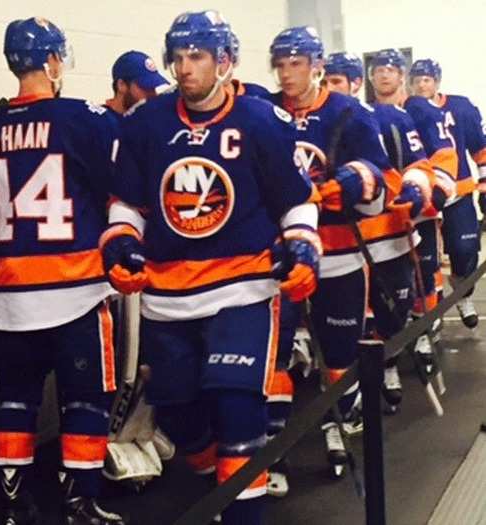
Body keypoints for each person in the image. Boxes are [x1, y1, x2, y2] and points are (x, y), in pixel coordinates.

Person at [100, 10, 320, 524]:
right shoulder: (145, 124)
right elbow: (126, 203)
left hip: (242, 288)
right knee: (176, 409)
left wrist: (303, 245)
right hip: (167, 294)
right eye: (177, 58)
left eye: (195, 57)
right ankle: (215, 481)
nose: (184, 69)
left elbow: (296, 200)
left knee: (237, 406)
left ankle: (243, 513)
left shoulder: (261, 121)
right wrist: (120, 243)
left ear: (225, 61)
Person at [0, 17, 127, 525]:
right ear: (54, 61)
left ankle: (14, 504)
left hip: (6, 296)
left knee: (13, 397)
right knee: (87, 399)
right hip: (75, 289)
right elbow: (121, 195)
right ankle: (79, 502)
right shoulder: (88, 119)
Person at [265, 26, 401, 468]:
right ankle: (274, 445)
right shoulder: (264, 112)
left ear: (318, 66)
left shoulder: (349, 113)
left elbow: (383, 182)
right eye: (280, 65)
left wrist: (359, 182)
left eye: (296, 64)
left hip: (340, 253)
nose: (286, 74)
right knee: (276, 354)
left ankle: (338, 416)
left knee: (339, 353)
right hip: (281, 257)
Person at [368, 49, 457, 401]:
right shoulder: (364, 113)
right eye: (379, 70)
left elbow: (442, 155)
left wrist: (435, 191)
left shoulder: (418, 109)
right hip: (383, 219)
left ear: (401, 75)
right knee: (386, 295)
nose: (385, 76)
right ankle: (388, 355)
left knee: (425, 277)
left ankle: (421, 333)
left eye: (391, 70)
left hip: (419, 211)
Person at [410, 58, 486, 330]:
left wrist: (484, 186)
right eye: (417, 80)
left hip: (459, 191)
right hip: (425, 197)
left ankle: (463, 292)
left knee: (465, 249)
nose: (421, 85)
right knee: (425, 260)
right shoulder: (408, 111)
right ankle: (432, 313)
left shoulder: (461, 107)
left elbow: (480, 148)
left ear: (437, 81)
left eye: (427, 80)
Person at [104, 50, 169, 115]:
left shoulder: (151, 119)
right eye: (145, 87)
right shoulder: (99, 121)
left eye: (153, 88)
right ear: (121, 85)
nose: (153, 95)